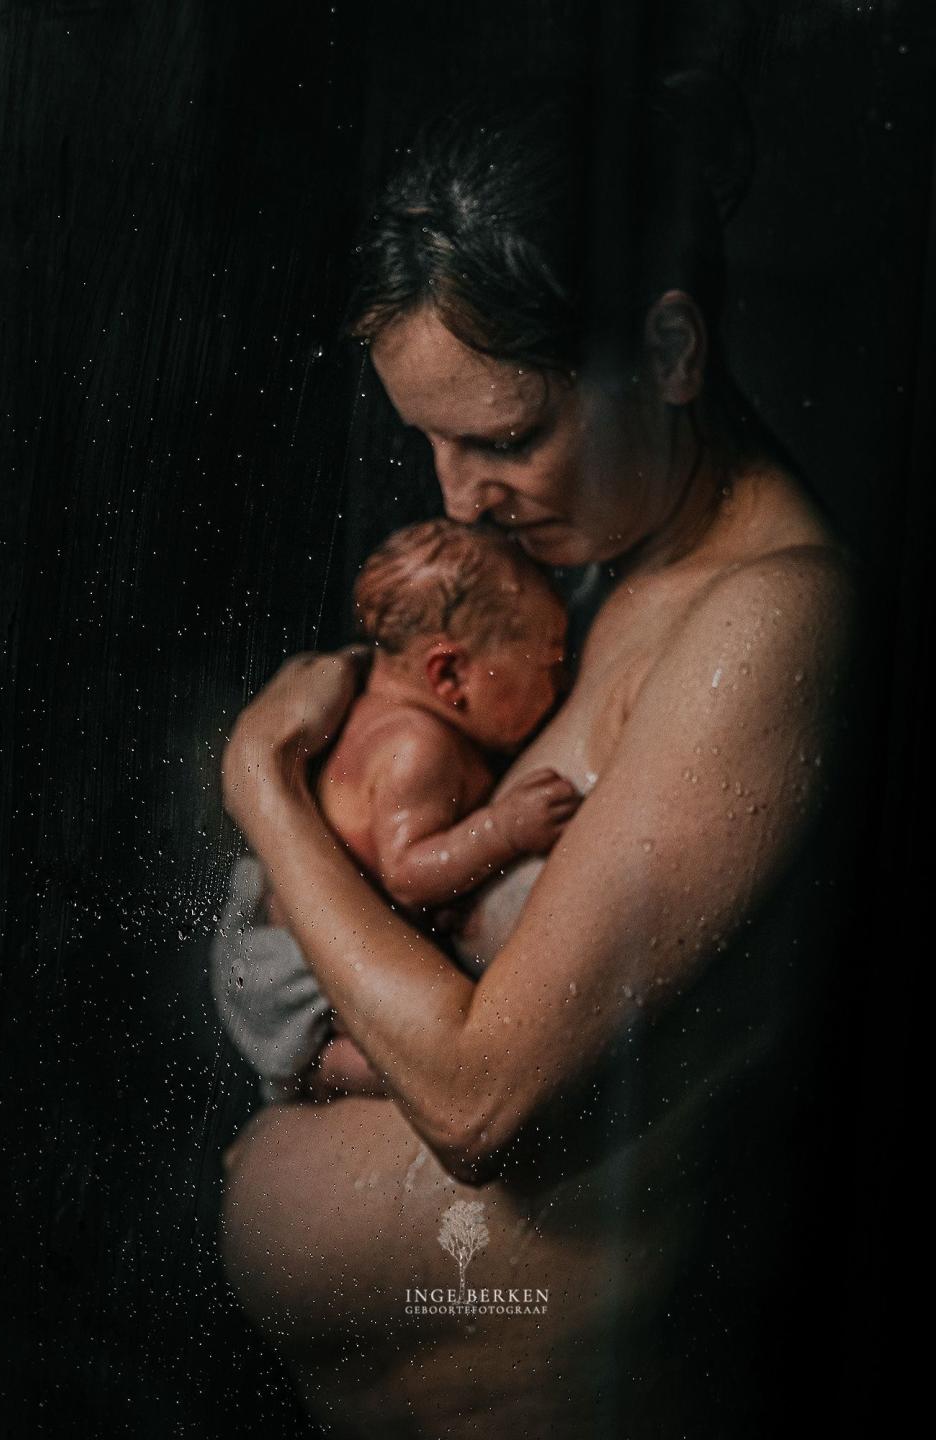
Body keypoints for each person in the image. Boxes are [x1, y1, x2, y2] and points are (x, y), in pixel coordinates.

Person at [214, 74, 856, 1439]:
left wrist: (259, 787)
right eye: (431, 443)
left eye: (505, 437)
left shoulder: (773, 617)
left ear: (673, 353)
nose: (459, 499)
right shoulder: (616, 578)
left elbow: (478, 1099)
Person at [212, 518, 578, 1104]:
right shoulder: (417, 748)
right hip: (298, 965)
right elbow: (408, 873)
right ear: (450, 674)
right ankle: (315, 1072)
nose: (561, 684)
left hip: (280, 937)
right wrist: (502, 830)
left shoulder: (385, 715)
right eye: (550, 664)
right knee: (396, 1067)